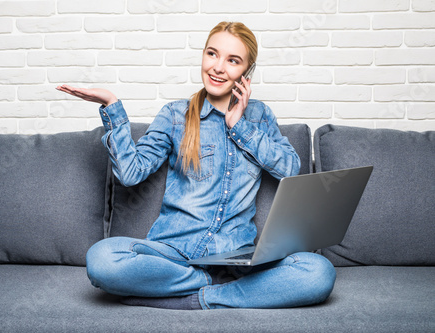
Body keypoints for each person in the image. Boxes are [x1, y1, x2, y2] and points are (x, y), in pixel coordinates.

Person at [56, 21, 336, 310]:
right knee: (103, 260)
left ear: (247, 72)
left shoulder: (260, 116)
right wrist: (112, 106)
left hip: (236, 260)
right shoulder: (175, 115)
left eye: (232, 60)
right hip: (173, 253)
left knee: (318, 272)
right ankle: (214, 288)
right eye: (212, 54)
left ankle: (197, 297)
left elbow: (291, 169)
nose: (217, 67)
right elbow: (130, 173)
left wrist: (239, 126)